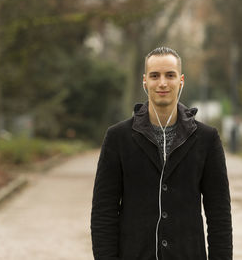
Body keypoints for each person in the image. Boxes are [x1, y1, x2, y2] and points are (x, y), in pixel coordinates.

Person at [91, 47, 232, 260]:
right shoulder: (118, 137)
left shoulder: (207, 139)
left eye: (170, 75)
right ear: (145, 81)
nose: (163, 83)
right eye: (155, 76)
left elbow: (219, 214)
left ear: (181, 81)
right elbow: (104, 212)